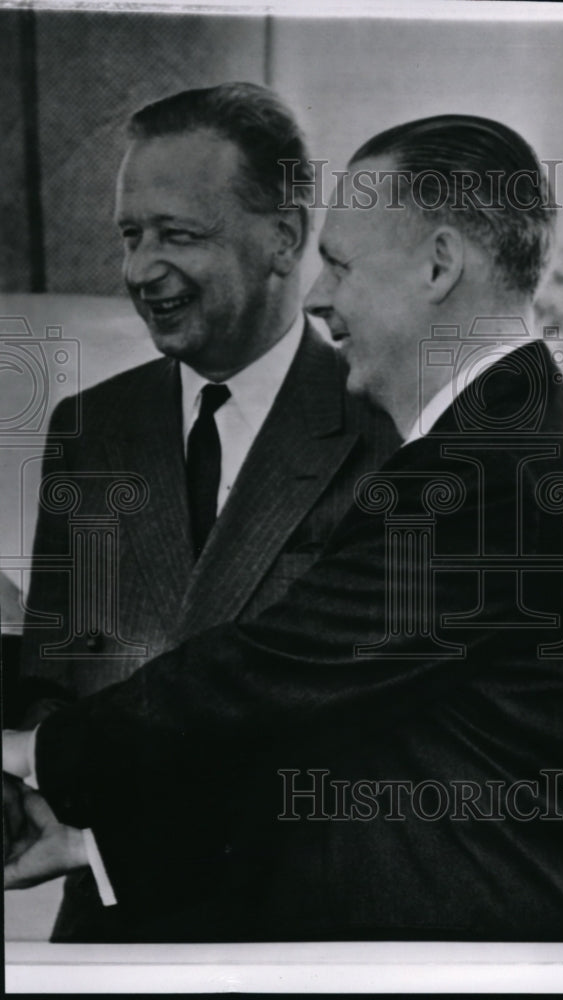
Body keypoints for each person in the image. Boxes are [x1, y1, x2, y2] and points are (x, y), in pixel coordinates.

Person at [5, 114, 563, 942]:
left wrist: (39, 754)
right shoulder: (513, 441)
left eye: (339, 264)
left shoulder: (488, 469)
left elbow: (271, 671)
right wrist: (95, 838)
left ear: (439, 264)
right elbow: (348, 756)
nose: (317, 296)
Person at [7, 82, 398, 941]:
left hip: (302, 935)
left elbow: (371, 748)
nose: (141, 269)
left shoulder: (388, 433)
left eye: (178, 235)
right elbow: (53, 671)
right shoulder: (92, 429)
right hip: (107, 932)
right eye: (130, 235)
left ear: (284, 240)